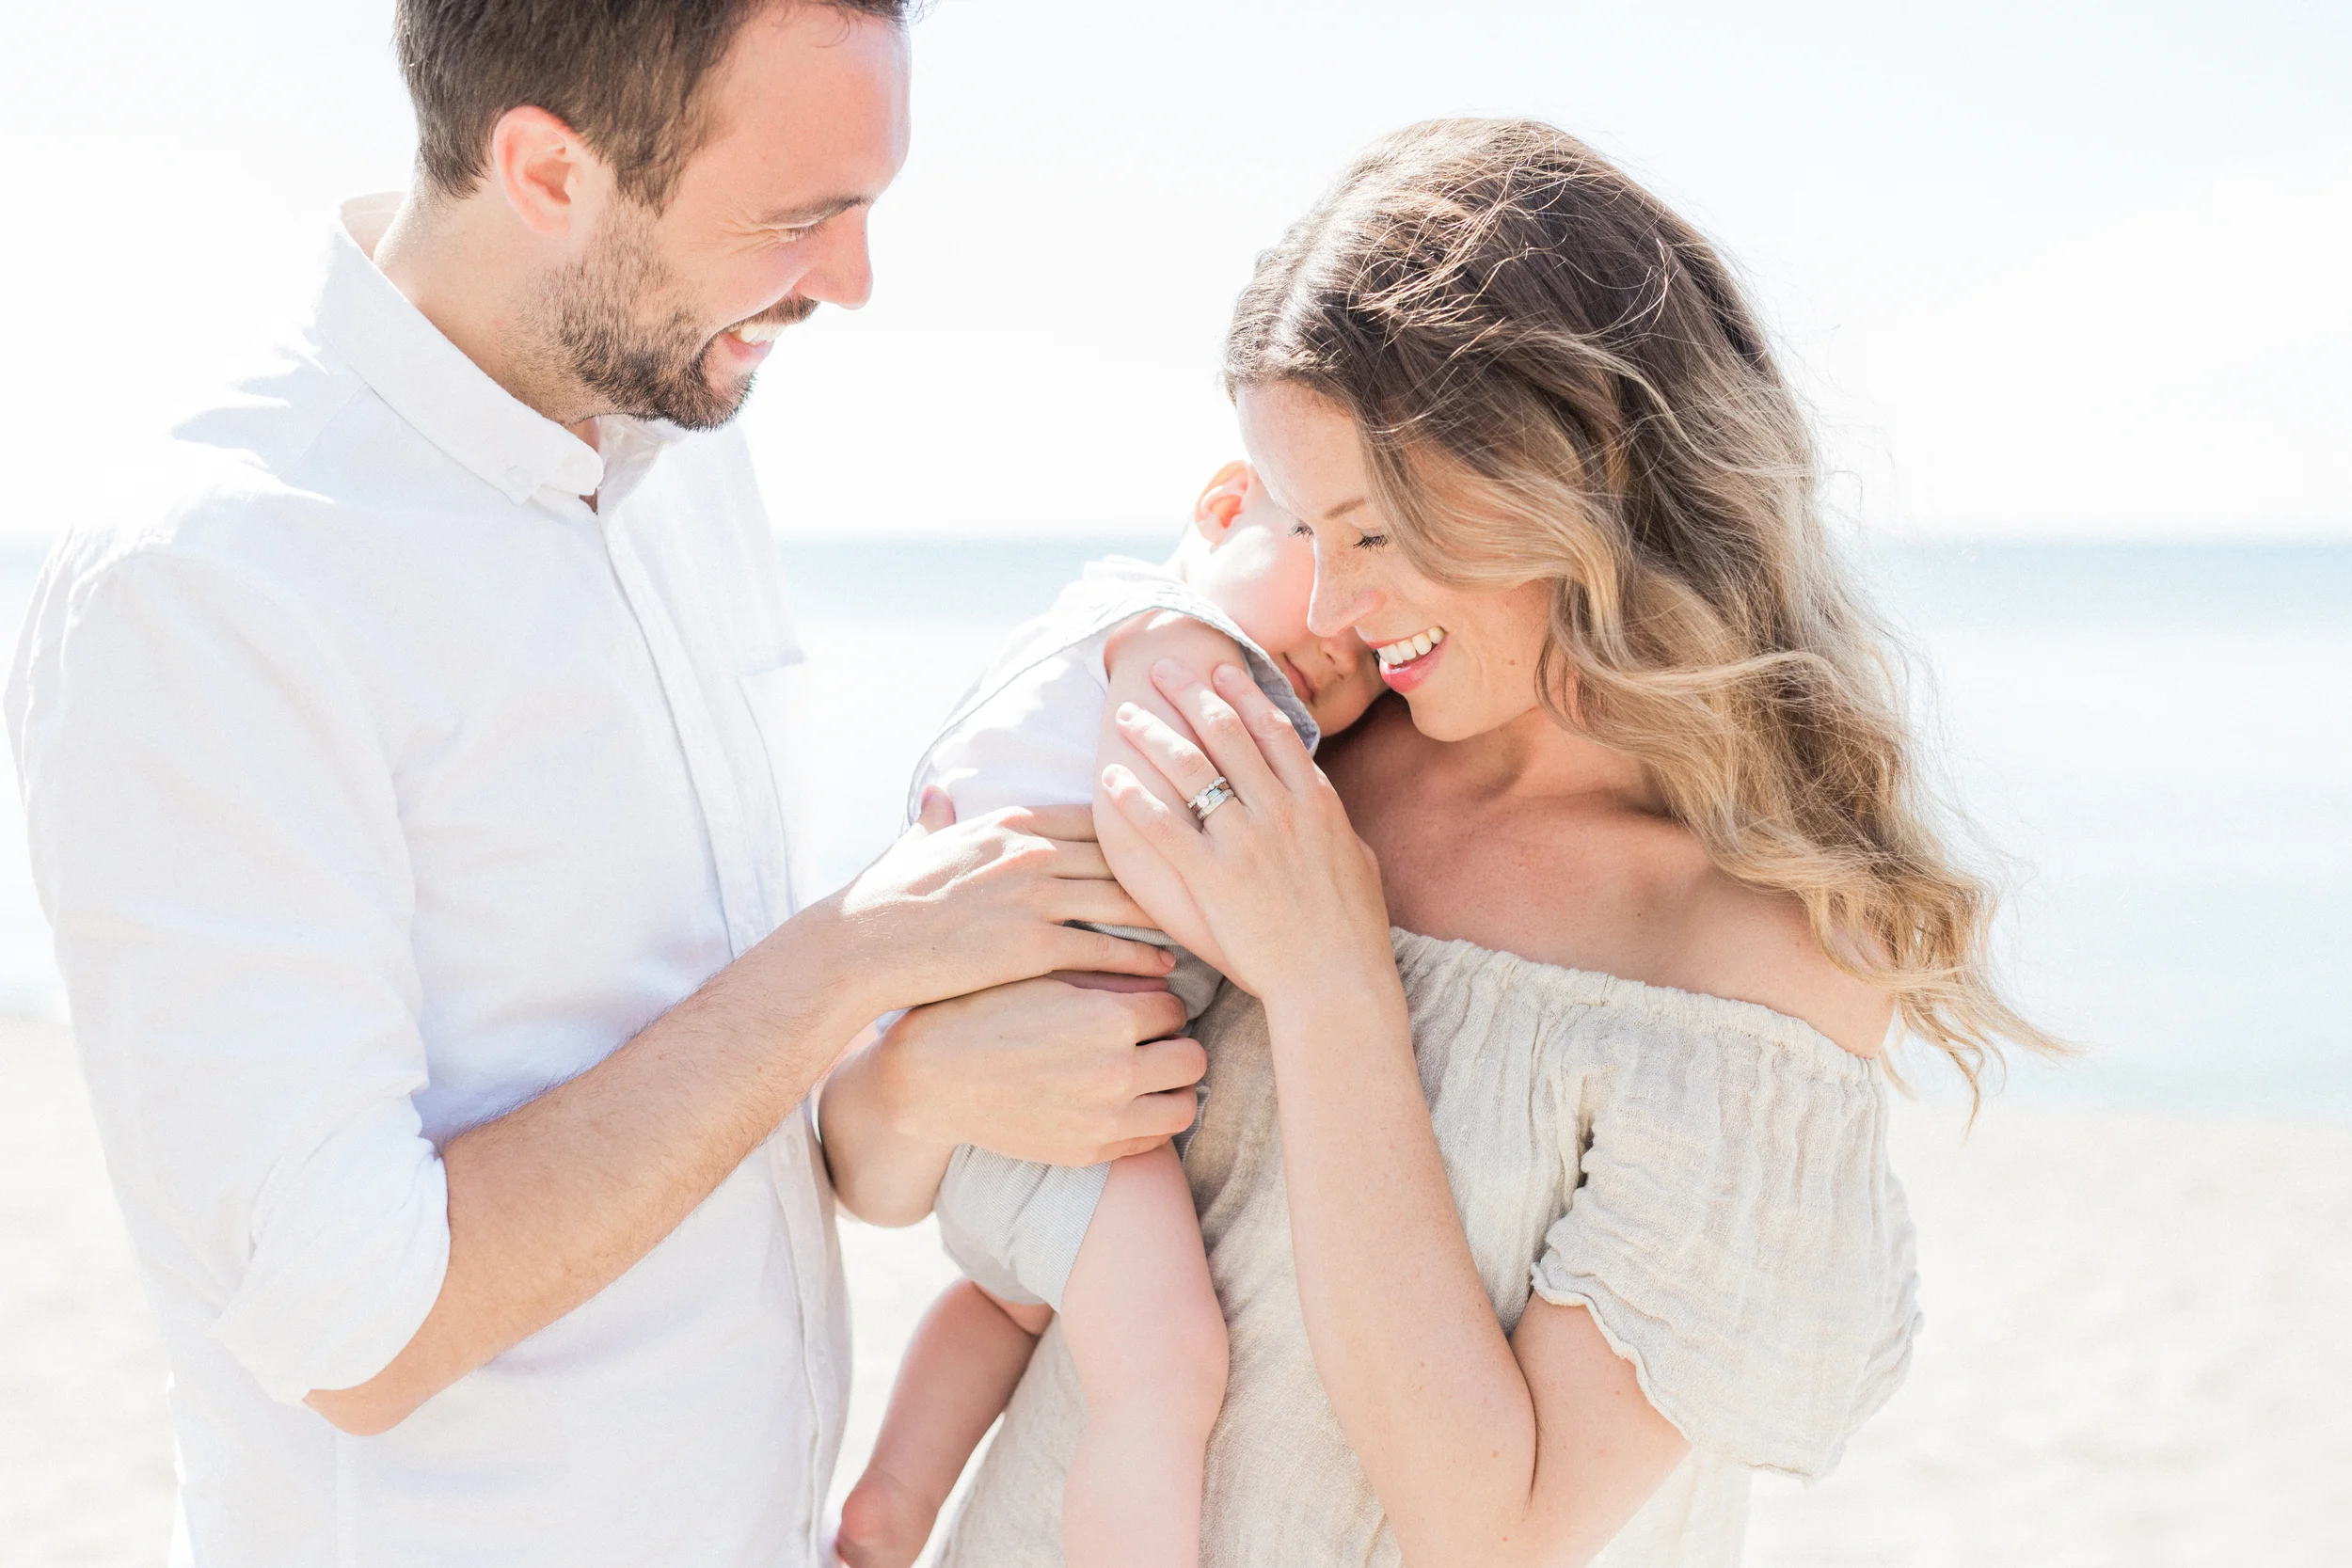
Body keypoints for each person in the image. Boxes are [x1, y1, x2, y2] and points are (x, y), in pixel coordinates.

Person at [5, 4, 1205, 1564]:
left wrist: (907, 1070)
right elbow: (353, 1325)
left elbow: (696, 1060)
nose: (854, 279)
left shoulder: (678, 449)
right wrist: (850, 959)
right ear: (546, 172)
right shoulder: (210, 587)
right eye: (797, 217)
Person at [936, 118, 2065, 1568]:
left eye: (1375, 533)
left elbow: (1496, 1525)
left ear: (1577, 478)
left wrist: (1331, 978)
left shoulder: (1757, 952)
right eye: (1300, 526)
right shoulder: (1302, 744)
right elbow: (908, 1146)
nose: (1327, 610)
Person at [824, 460, 1383, 1568]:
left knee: (1009, 1299)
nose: (1338, 637)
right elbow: (1153, 828)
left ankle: (889, 1505)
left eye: (1374, 658)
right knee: (1169, 1369)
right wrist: (1303, 950)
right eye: (1322, 547)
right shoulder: (1184, 638)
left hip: (1000, 1054)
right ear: (1225, 505)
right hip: (1043, 1042)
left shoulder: (1098, 619)